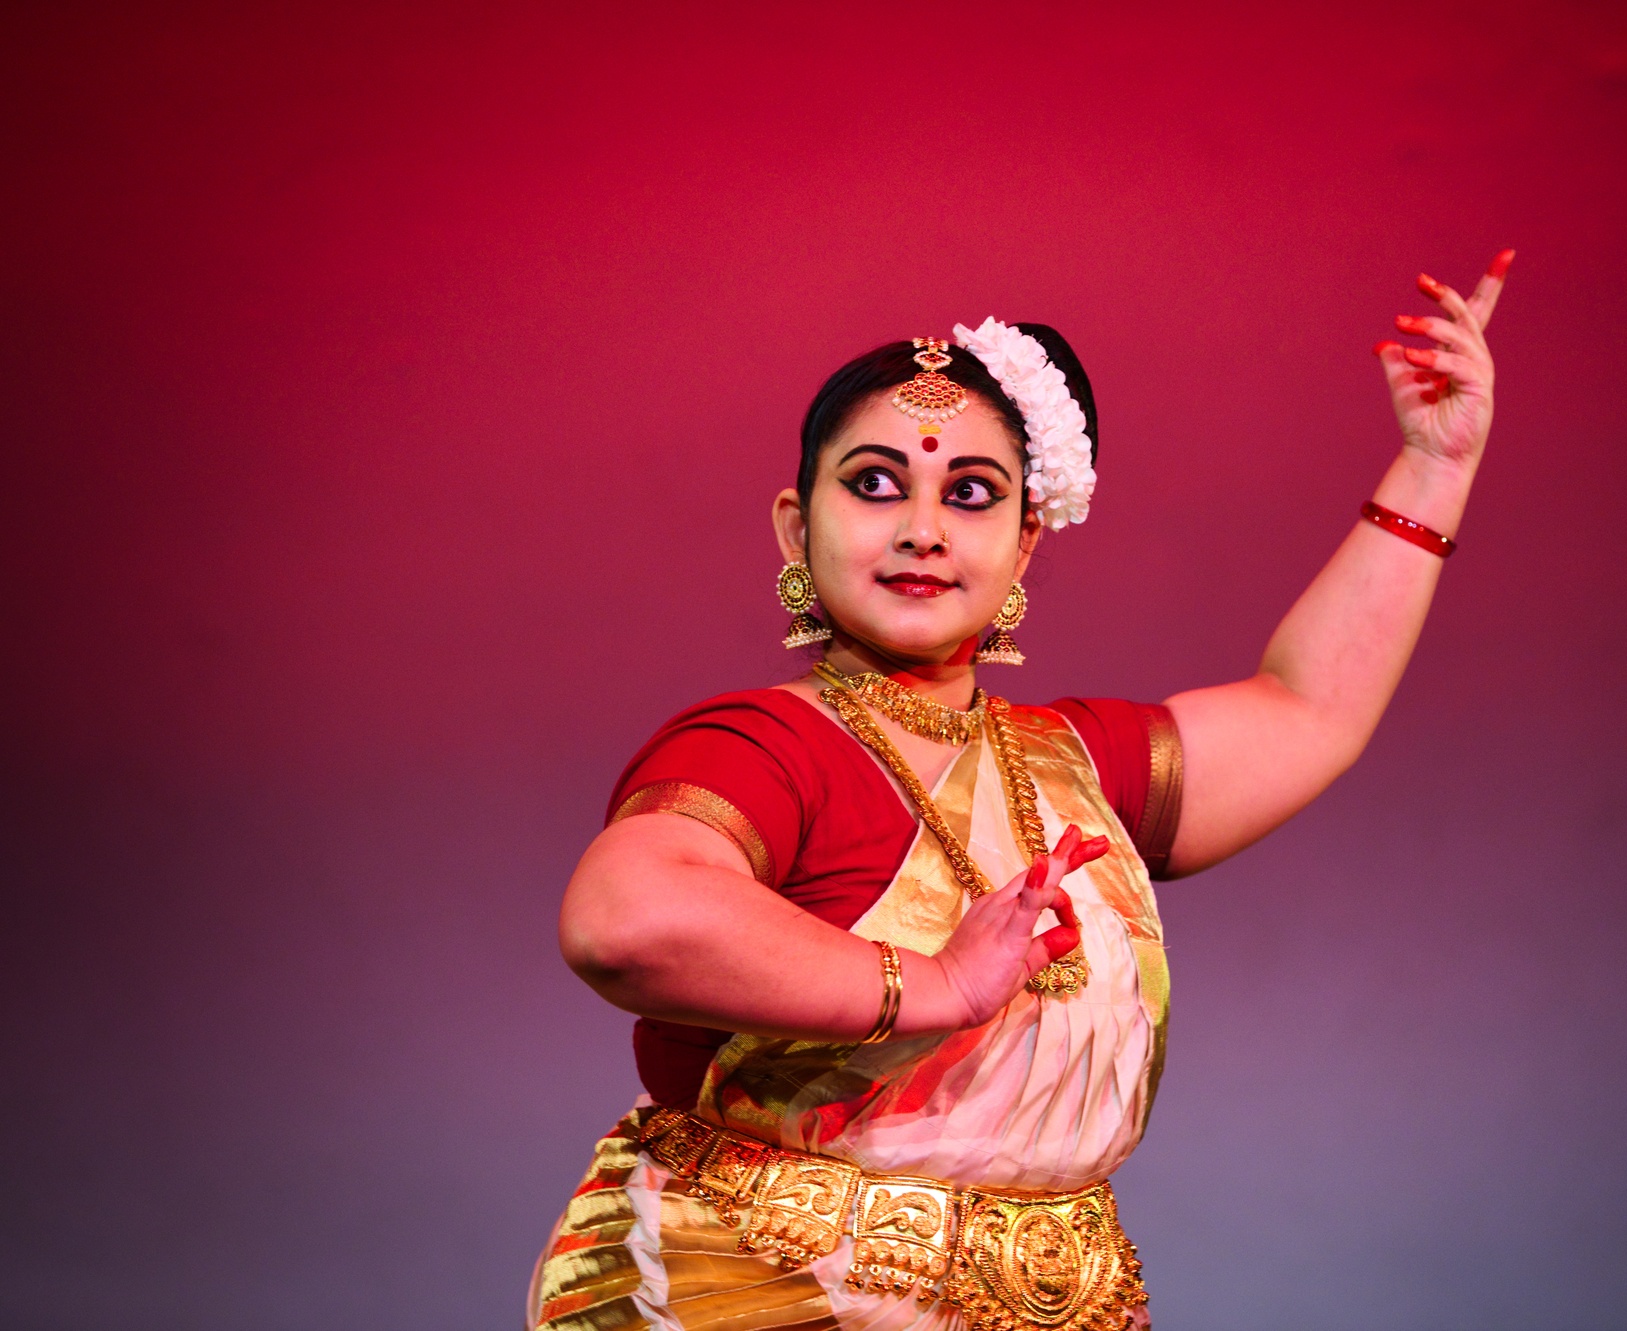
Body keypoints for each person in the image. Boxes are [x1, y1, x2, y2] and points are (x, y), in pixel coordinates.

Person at [531, 252, 1515, 1331]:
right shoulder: (764, 746)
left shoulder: (1070, 760)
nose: (923, 529)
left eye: (970, 493)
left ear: (1024, 540)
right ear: (794, 525)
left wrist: (1433, 466)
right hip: (770, 1295)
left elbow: (1306, 708)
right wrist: (934, 984)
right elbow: (623, 919)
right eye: (874, 484)